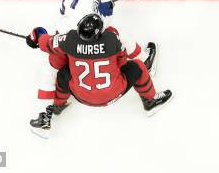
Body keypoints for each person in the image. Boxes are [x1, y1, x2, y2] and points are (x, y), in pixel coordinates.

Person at [34, 0, 159, 128]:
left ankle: (49, 112)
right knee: (118, 36)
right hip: (82, 36)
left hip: (62, 36)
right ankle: (144, 60)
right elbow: (105, 12)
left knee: (51, 70)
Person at [26, 14, 172, 138]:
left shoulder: (69, 39)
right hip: (113, 93)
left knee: (63, 73)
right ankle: (150, 102)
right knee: (139, 66)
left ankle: (58, 106)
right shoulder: (112, 39)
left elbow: (46, 43)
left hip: (81, 95)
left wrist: (37, 35)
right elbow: (121, 62)